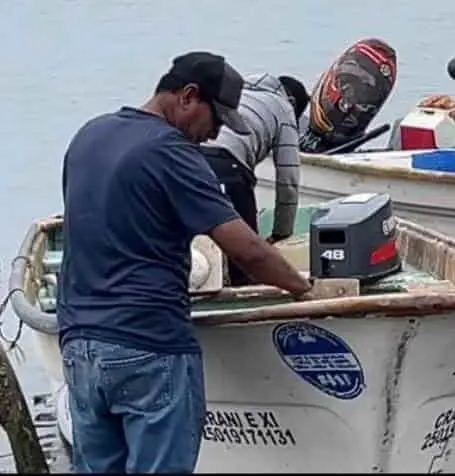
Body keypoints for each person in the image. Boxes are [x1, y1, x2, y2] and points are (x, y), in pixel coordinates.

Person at [57, 52, 315, 474]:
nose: (215, 135)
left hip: (80, 346)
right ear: (188, 97)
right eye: (217, 120)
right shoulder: (171, 152)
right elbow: (247, 249)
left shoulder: (89, 135)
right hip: (147, 346)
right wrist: (303, 287)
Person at [200, 73, 310, 285]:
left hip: (192, 157)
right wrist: (281, 233)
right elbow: (288, 180)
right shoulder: (284, 108)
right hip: (229, 166)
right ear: (292, 102)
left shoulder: (239, 92)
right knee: (246, 258)